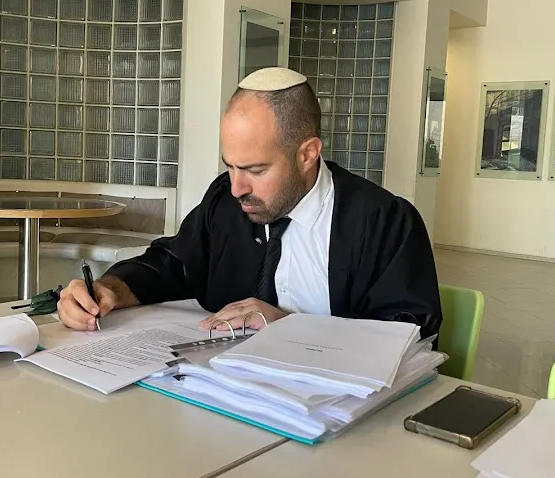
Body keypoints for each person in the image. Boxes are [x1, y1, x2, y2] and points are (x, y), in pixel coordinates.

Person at [58, 67, 442, 337]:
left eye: (255, 169)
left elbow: (409, 334)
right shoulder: (225, 202)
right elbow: (172, 263)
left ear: (307, 154)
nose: (237, 187)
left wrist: (287, 326)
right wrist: (110, 290)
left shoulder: (384, 222)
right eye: (230, 166)